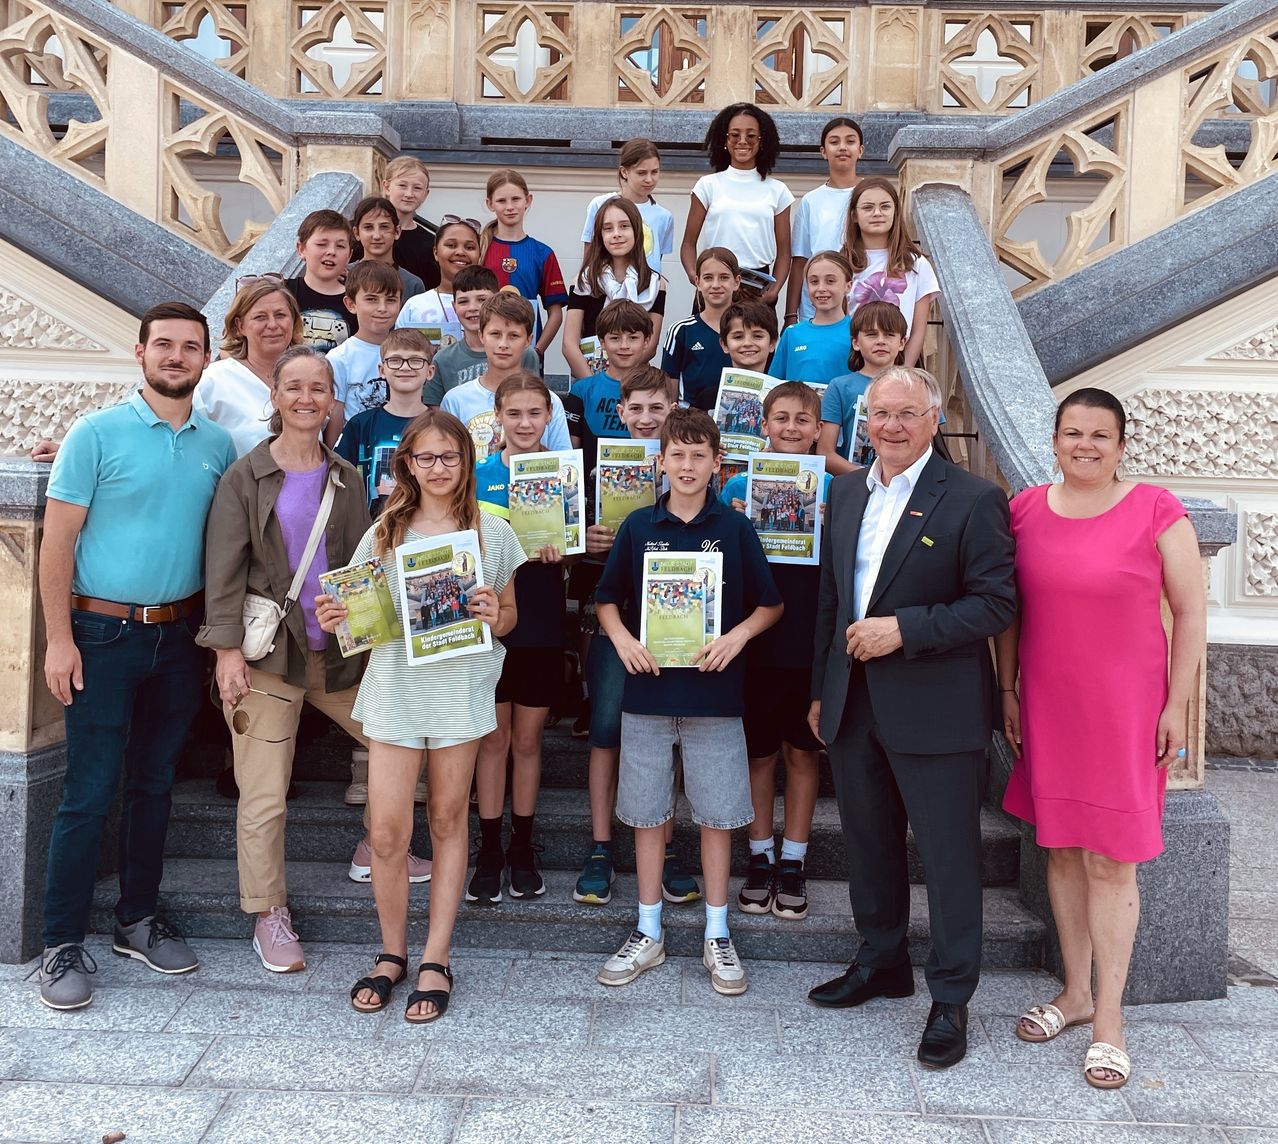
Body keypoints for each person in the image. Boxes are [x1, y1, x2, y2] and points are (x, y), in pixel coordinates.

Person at [806, 366, 1016, 1069]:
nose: (891, 426)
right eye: (880, 414)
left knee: (949, 857)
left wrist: (905, 629)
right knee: (868, 842)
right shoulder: (844, 492)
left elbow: (996, 603)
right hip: (854, 700)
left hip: (936, 706)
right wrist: (821, 690)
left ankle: (951, 997)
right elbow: (832, 600)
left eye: (906, 414)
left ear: (933, 421)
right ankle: (882, 960)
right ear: (863, 421)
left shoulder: (974, 499)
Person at [995, 388, 1204, 1090]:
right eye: (1072, 433)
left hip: (1126, 712)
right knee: (1060, 850)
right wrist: (1007, 689)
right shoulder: (1024, 510)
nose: (1084, 445)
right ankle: (1075, 992)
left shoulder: (1156, 508)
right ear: (1054, 440)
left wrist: (1177, 705)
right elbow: (1009, 612)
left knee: (1112, 859)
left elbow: (1190, 612)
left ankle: (1110, 1018)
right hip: (1049, 704)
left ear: (1120, 445)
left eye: (1099, 435)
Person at [36, 302, 236, 1010]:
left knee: (154, 785)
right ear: (140, 352)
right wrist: (59, 639)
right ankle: (61, 943)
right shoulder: (94, 433)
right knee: (89, 790)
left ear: (206, 358)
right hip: (101, 634)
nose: (176, 356)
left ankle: (136, 920)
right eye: (164, 345)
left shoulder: (218, 445)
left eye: (190, 347)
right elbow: (57, 543)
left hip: (179, 637)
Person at [315, 408, 524, 1023]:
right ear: (407, 463)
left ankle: (436, 956)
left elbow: (510, 616)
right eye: (425, 457)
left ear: (467, 462)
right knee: (385, 831)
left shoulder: (492, 531)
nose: (438, 468)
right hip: (397, 687)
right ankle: (391, 952)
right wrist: (339, 617)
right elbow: (361, 613)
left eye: (449, 457)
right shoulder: (385, 531)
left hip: (460, 687)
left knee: (448, 817)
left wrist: (494, 613)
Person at [594, 407, 782, 995]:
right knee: (648, 814)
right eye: (677, 454)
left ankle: (717, 932)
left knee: (717, 817)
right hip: (648, 691)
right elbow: (606, 598)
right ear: (661, 461)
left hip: (715, 695)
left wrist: (737, 636)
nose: (687, 465)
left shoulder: (736, 528)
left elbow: (770, 603)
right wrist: (623, 640)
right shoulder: (638, 527)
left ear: (717, 463)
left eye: (699, 455)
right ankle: (648, 929)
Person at [199, 346, 374, 973]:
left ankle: (376, 846)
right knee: (265, 794)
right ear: (274, 396)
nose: (305, 398)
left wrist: (362, 614)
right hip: (268, 657)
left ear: (332, 400)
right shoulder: (244, 477)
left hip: (337, 656)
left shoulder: (347, 477)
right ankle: (267, 911)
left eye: (317, 388)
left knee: (400, 743)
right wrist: (225, 654)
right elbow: (222, 571)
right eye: (293, 387)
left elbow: (361, 564)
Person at [572, 368, 701, 908]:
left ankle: (665, 848)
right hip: (615, 620)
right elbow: (564, 542)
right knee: (606, 732)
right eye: (637, 409)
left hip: (678, 625)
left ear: (674, 408)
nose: (647, 418)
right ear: (620, 412)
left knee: (666, 734)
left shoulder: (691, 468)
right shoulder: (594, 468)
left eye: (657, 408)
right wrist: (586, 539)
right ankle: (601, 846)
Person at [720, 382, 831, 920]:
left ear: (818, 430)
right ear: (763, 426)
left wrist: (832, 527)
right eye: (780, 418)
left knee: (802, 752)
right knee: (759, 753)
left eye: (802, 420)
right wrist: (735, 520)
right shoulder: (738, 485)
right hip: (755, 639)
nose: (790, 428)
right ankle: (761, 854)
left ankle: (794, 860)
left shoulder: (835, 489)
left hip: (808, 639)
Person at [469, 373, 569, 904]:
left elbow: (581, 544)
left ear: (549, 417)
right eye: (514, 414)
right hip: (489, 620)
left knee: (527, 741)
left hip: (543, 617)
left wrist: (567, 548)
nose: (525, 423)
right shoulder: (476, 475)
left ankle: (522, 847)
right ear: (498, 417)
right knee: (493, 739)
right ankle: (489, 849)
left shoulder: (564, 473)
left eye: (535, 413)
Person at [681, 103, 793, 307]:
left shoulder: (778, 190)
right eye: (734, 135)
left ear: (762, 141)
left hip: (757, 286)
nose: (742, 141)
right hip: (714, 282)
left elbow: (785, 252)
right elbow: (688, 243)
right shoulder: (707, 185)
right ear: (724, 140)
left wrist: (774, 291)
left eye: (751, 135)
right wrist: (694, 277)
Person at [441, 293, 571, 463]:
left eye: (514, 336)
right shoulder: (455, 400)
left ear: (528, 340)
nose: (503, 344)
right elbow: (447, 461)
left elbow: (564, 462)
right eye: (495, 334)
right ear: (481, 336)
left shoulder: (549, 400)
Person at [194, 276, 304, 457]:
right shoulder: (214, 381)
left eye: (280, 315)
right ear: (240, 326)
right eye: (260, 317)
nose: (272, 325)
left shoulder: (310, 377)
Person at [839, 178, 938, 367]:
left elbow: (918, 330)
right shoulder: (843, 262)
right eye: (868, 207)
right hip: (853, 362)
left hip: (902, 363)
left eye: (885, 206)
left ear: (895, 212)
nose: (877, 213)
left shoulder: (916, 264)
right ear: (854, 215)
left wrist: (902, 373)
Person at [565, 197, 666, 377]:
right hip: (588, 378)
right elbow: (569, 344)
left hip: (633, 382)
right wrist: (595, 385)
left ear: (637, 231)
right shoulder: (583, 281)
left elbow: (650, 346)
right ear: (600, 235)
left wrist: (621, 380)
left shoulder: (654, 283)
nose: (616, 234)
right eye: (608, 228)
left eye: (624, 226)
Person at [335, 329, 433, 515]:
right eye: (395, 360)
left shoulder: (441, 426)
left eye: (415, 360)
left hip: (428, 528)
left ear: (430, 371)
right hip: (372, 527)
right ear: (382, 370)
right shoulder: (360, 425)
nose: (405, 367)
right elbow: (338, 480)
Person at [481, 169, 569, 359]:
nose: (510, 207)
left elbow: (555, 314)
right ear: (490, 204)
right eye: (501, 201)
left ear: (528, 200)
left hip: (526, 351)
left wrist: (536, 351)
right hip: (485, 351)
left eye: (516, 199)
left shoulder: (543, 253)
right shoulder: (480, 249)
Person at [786, 117, 863, 327]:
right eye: (834, 142)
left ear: (860, 150)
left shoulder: (870, 195)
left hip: (861, 303)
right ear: (823, 151)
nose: (842, 147)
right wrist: (790, 315)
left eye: (850, 141)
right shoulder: (811, 200)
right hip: (816, 307)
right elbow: (800, 260)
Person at [426, 266, 541, 405]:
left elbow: (534, 398)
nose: (472, 308)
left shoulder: (525, 353)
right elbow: (436, 411)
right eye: (463, 301)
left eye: (481, 300)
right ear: (454, 306)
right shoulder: (442, 359)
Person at [819, 301, 908, 475]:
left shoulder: (917, 386)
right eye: (871, 335)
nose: (881, 341)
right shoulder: (839, 387)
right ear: (855, 343)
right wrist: (867, 479)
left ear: (902, 342)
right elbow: (825, 453)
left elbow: (926, 447)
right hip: (855, 482)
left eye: (889, 334)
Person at [562, 299, 651, 473]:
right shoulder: (582, 390)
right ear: (602, 342)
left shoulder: (657, 389)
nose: (624, 346)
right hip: (591, 486)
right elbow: (569, 453)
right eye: (615, 338)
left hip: (646, 484)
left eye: (633, 338)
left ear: (646, 341)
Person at [325, 261, 404, 444]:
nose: (382, 308)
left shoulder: (407, 353)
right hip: (356, 450)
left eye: (391, 300)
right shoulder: (339, 358)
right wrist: (333, 457)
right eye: (371, 299)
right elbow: (335, 416)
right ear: (351, 304)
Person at [580, 138, 674, 277]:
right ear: (624, 172)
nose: (649, 179)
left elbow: (655, 259)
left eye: (654, 172)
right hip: (606, 286)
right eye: (641, 173)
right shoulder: (600, 205)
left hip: (647, 288)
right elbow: (589, 256)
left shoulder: (664, 216)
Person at [661, 247, 739, 411]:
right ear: (697, 282)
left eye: (724, 277)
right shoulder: (681, 330)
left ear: (736, 282)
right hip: (692, 420)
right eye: (708, 278)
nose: (716, 285)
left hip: (736, 420)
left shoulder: (749, 331)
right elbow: (670, 384)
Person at [394, 217, 482, 349]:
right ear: (435, 252)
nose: (460, 252)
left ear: (479, 254)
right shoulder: (415, 305)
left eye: (469, 247)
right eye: (451, 245)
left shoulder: (491, 305)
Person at [769, 250, 854, 383]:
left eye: (830, 281)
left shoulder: (857, 332)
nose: (821, 288)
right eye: (814, 281)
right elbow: (774, 384)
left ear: (848, 286)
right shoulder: (792, 333)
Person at [284, 210, 356, 351]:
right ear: (301, 249)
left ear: (349, 255)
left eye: (340, 246)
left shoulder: (357, 300)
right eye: (322, 244)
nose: (331, 252)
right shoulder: (283, 293)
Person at [350, 194, 426, 301]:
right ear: (356, 233)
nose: (377, 236)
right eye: (368, 227)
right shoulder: (342, 276)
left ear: (397, 231)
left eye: (384, 227)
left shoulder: (412, 285)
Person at [382, 155, 440, 291]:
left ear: (426, 194)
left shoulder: (431, 243)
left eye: (417, 188)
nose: (409, 194)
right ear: (387, 187)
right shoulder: (367, 234)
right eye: (402, 185)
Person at [719, 299, 779, 378]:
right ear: (724, 344)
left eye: (758, 336)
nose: (747, 343)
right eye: (738, 337)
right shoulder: (709, 386)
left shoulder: (785, 386)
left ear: (772, 343)